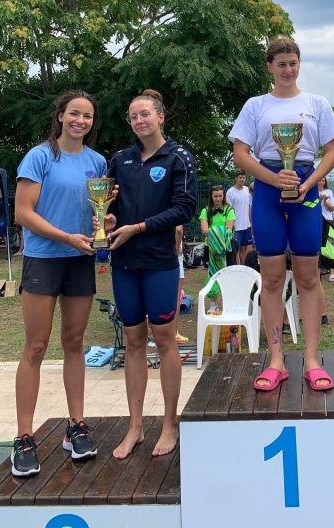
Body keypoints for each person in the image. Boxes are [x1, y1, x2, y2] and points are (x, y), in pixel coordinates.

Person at [229, 36, 334, 391]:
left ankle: (312, 359)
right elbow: (240, 153)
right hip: (267, 191)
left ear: (299, 63)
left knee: (309, 277)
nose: (288, 70)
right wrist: (273, 178)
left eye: (293, 63)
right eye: (281, 64)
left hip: (305, 188)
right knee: (272, 278)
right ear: (270, 67)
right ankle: (276, 360)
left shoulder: (317, 103)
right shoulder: (256, 105)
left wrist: (308, 183)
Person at [12, 90, 107, 477]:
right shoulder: (39, 157)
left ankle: (76, 426)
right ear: (60, 116)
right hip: (44, 259)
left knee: (74, 344)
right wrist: (66, 237)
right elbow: (23, 213)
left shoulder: (97, 161)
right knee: (35, 346)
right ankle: (23, 437)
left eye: (87, 116)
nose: (80, 121)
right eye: (74, 114)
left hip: (79, 260)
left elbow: (97, 211)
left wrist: (104, 222)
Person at [104, 89, 197, 460]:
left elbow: (185, 209)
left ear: (160, 117)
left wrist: (139, 227)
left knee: (165, 339)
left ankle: (170, 423)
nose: (139, 120)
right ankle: (135, 427)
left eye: (145, 114)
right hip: (124, 262)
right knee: (133, 340)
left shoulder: (179, 157)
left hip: (159, 262)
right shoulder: (120, 160)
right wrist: (108, 220)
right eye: (133, 116)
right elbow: (108, 205)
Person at [199, 185, 235, 305]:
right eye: (215, 196)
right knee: (212, 274)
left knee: (228, 274)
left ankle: (229, 304)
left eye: (220, 196)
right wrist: (219, 232)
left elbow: (229, 229)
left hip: (227, 247)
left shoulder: (229, 210)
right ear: (211, 196)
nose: (218, 198)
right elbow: (204, 230)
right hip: (211, 248)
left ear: (223, 196)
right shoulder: (205, 211)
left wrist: (213, 232)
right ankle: (213, 305)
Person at [226, 169, 252, 264]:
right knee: (236, 249)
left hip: (247, 225)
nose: (242, 179)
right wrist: (231, 225)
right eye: (240, 177)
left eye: (243, 177)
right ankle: (236, 268)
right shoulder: (230, 192)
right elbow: (228, 210)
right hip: (236, 227)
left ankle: (243, 267)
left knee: (244, 248)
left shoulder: (246, 190)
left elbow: (248, 206)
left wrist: (250, 222)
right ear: (236, 178)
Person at [318, 176, 334, 282]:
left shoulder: (329, 192)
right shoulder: (312, 192)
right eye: (319, 180)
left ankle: (332, 272)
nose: (321, 182)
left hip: (328, 220)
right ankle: (318, 271)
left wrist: (325, 201)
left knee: (330, 246)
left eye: (323, 180)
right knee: (318, 247)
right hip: (316, 221)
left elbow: (332, 208)